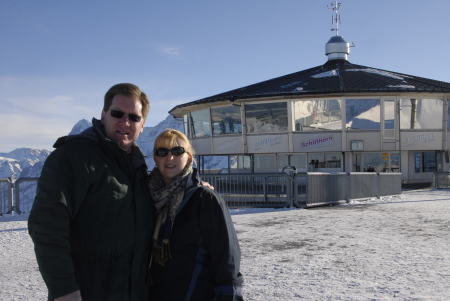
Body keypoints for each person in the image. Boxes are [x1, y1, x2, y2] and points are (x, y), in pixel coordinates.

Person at [28, 83, 154, 301]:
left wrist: (194, 186)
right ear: (104, 114)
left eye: (134, 117)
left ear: (142, 124)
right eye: (117, 114)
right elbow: (46, 225)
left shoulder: (137, 166)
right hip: (87, 292)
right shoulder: (74, 156)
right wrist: (64, 290)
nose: (125, 122)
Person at [148, 129, 244, 301]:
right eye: (162, 152)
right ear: (155, 158)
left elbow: (226, 258)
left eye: (177, 151)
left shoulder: (205, 200)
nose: (169, 158)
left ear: (189, 157)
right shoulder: (146, 197)